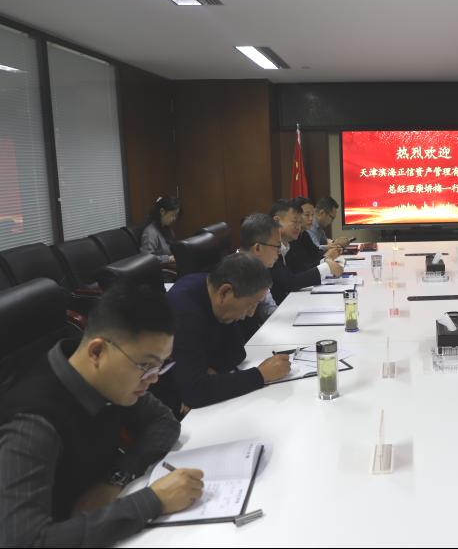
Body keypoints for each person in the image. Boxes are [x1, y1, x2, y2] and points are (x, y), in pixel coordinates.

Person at [0, 284, 204, 547]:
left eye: (159, 366)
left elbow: (164, 421)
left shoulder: (104, 375)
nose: (153, 379)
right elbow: (23, 541)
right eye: (145, 365)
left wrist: (115, 479)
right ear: (97, 352)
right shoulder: (33, 425)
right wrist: (154, 501)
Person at [152, 253, 291, 414]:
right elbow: (195, 392)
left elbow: (237, 352)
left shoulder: (219, 296)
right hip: (167, 404)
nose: (251, 313)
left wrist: (212, 373)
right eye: (250, 305)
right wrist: (260, 375)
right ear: (225, 292)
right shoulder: (183, 311)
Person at [270, 199, 343, 305]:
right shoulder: (269, 247)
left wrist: (325, 262)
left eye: (300, 222)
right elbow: (289, 282)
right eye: (295, 222)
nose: (298, 227)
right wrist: (326, 267)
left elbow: (300, 268)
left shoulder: (287, 245)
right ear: (277, 221)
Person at [237, 213, 283, 323]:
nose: (279, 252)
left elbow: (268, 309)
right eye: (277, 246)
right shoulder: (235, 276)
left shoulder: (259, 268)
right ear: (258, 248)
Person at [285, 197, 341, 273]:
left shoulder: (304, 234)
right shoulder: (290, 238)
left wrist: (330, 253)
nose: (311, 218)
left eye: (312, 215)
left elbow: (315, 254)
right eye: (307, 215)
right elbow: (301, 268)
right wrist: (327, 257)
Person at [140, 196, 180, 265]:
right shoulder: (150, 232)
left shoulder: (167, 228)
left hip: (170, 265)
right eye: (173, 215)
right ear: (162, 211)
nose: (174, 218)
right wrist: (168, 258)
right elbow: (146, 259)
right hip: (160, 269)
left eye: (175, 215)